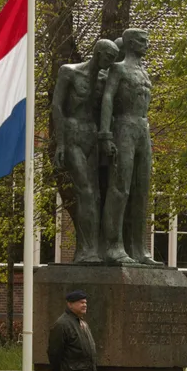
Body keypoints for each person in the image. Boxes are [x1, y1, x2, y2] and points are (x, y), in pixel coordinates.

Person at [52, 39, 120, 262]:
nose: (111, 63)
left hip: (92, 136)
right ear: (98, 53)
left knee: (96, 194)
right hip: (73, 134)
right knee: (85, 192)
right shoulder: (69, 72)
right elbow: (57, 107)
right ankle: (86, 251)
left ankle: (92, 249)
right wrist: (60, 143)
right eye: (109, 58)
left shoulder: (104, 79)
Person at [99, 28, 159, 265]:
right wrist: (105, 134)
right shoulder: (118, 68)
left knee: (142, 189)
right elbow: (108, 98)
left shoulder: (144, 71)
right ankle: (114, 246)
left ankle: (139, 249)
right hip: (123, 125)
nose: (147, 45)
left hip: (143, 129)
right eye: (143, 41)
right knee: (120, 186)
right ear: (132, 43)